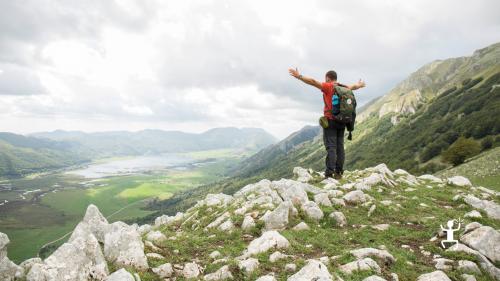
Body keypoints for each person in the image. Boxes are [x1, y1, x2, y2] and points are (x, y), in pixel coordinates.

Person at [288, 68, 365, 179]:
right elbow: (353, 87)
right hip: (342, 121)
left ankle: (329, 174)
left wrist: (299, 76)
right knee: (340, 147)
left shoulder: (329, 87)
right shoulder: (344, 88)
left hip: (331, 121)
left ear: (327, 78)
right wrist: (359, 84)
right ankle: (338, 173)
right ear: (336, 78)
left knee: (331, 147)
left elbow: (313, 82)